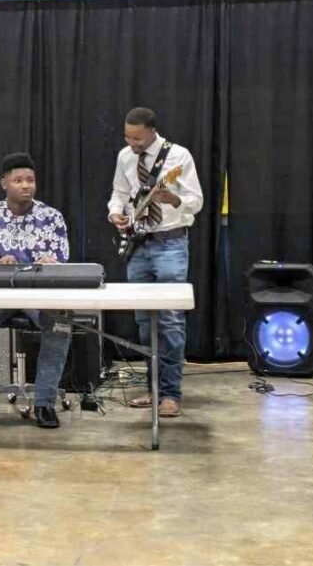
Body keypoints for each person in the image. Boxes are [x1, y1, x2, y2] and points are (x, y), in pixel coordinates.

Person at [0, 152, 73, 435]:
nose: (26, 185)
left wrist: (51, 264)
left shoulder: (52, 217)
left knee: (61, 321)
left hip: (39, 297)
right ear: (4, 183)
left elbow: (63, 262)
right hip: (0, 298)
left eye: (30, 180)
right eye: (18, 180)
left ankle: (44, 403)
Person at [107, 107, 203, 418]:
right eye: (127, 137)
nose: (132, 143)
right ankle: (153, 388)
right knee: (144, 321)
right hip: (138, 244)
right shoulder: (125, 157)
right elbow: (119, 192)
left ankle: (172, 393)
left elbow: (196, 201)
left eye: (137, 138)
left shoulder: (178, 156)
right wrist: (115, 213)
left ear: (152, 132)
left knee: (170, 320)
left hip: (170, 243)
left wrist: (175, 200)